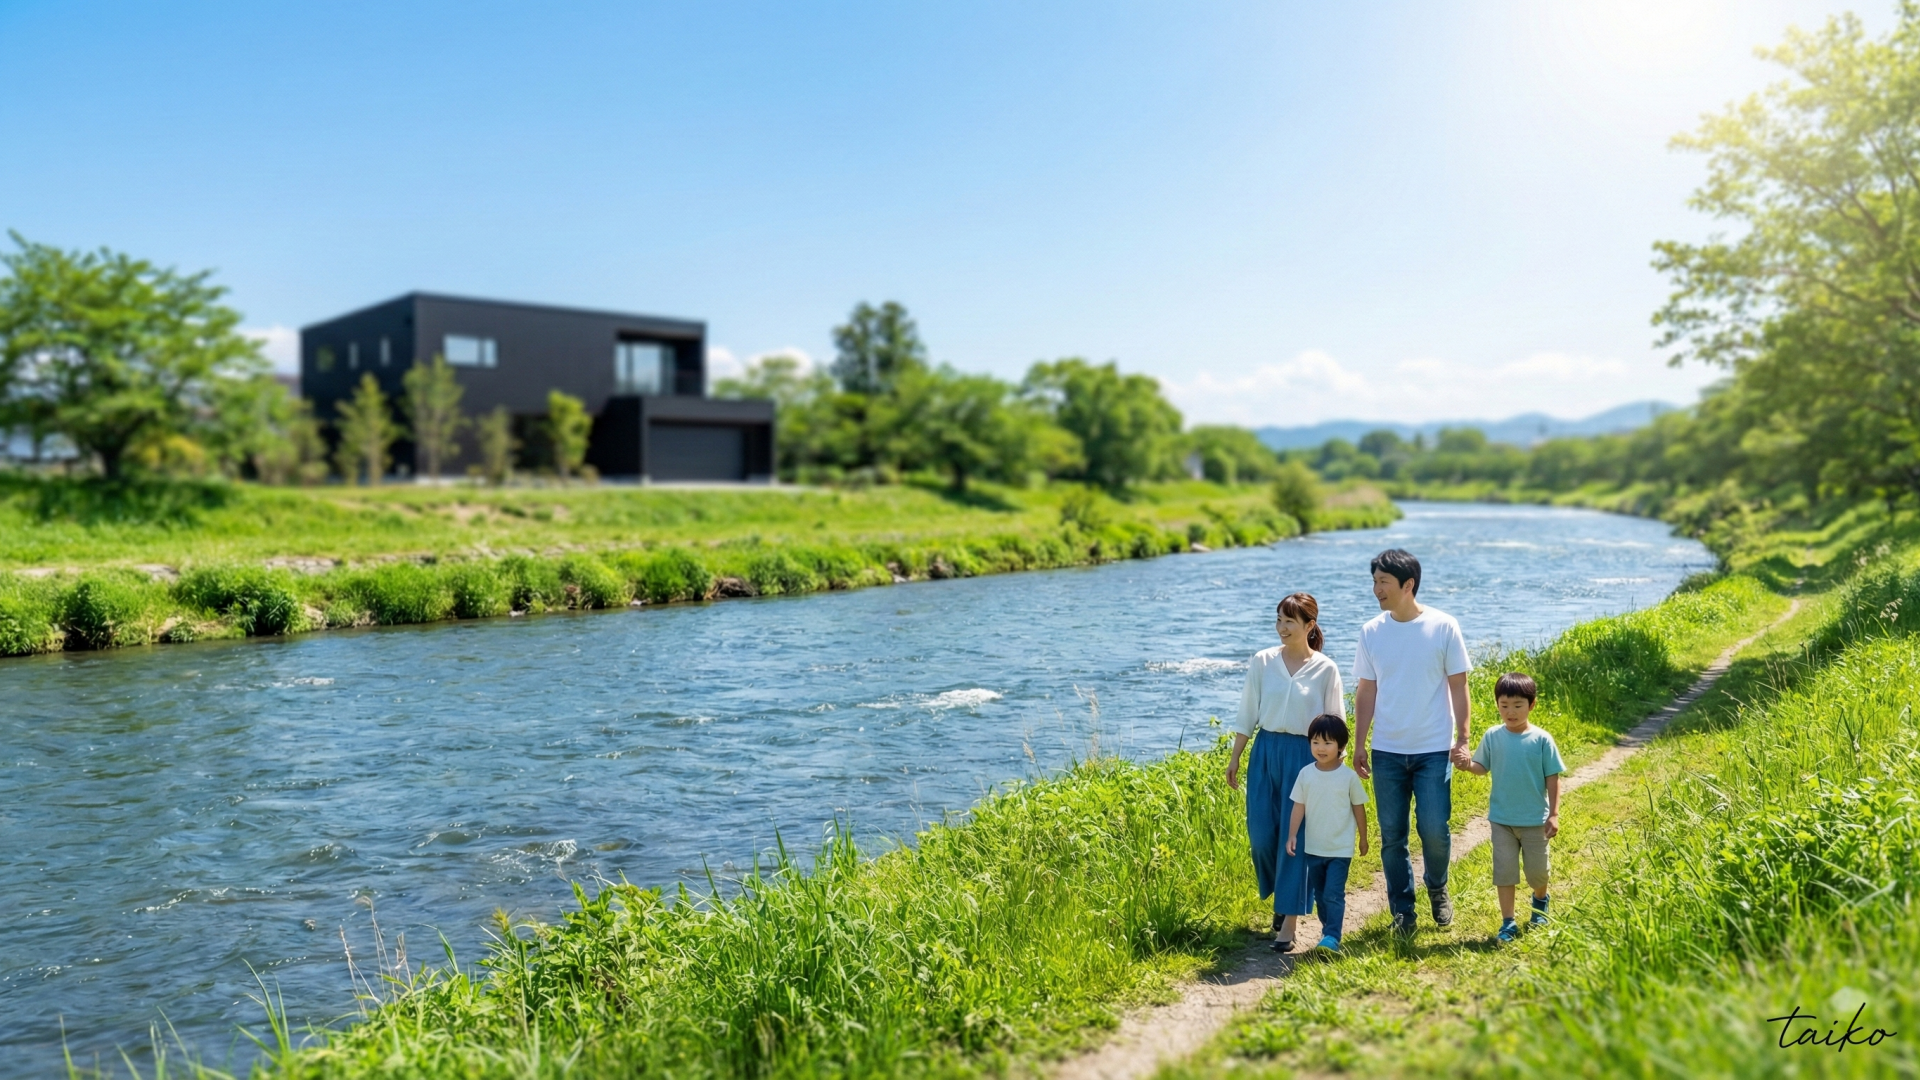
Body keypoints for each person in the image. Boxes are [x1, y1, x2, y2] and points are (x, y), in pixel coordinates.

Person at [1351, 548, 1472, 934]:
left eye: (1383, 582)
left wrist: (1464, 737)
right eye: (1374, 581)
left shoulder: (1443, 626)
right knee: (1393, 837)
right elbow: (1366, 692)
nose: (1376, 589)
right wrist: (1359, 743)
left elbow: (1459, 685)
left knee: (1435, 829)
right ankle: (1403, 912)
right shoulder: (1371, 632)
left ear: (1408, 585)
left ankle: (1437, 887)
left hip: (1434, 748)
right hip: (1387, 750)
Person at [1226, 592, 1345, 952]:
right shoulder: (1263, 661)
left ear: (1309, 626)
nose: (1281, 628)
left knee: (1295, 842)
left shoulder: (1326, 668)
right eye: (1278, 620)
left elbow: (1335, 721)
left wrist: (1332, 770)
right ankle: (1283, 896)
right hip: (1265, 752)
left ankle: (1288, 924)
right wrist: (1235, 758)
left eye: (1289, 622)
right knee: (1262, 837)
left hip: (1305, 757)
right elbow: (1247, 712)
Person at [1457, 672, 1563, 942]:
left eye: (1518, 705)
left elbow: (1553, 777)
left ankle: (1540, 903)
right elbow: (1482, 767)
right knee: (1504, 872)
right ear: (1497, 705)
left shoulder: (1541, 740)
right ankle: (1508, 921)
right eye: (1504, 705)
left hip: (1534, 820)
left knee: (1537, 871)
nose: (1511, 712)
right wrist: (1467, 764)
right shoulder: (1493, 736)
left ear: (1532, 705)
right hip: (1502, 819)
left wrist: (1553, 814)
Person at [1285, 713, 1369, 953]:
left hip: (1340, 848)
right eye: (1315, 742)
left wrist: (1363, 838)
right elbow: (1298, 806)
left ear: (1341, 747)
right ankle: (1327, 931)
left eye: (1328, 743)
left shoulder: (1349, 778)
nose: (1320, 748)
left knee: (1333, 893)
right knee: (1320, 895)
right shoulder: (1305, 774)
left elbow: (1358, 808)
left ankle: (1332, 936)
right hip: (1314, 847)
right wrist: (1292, 835)